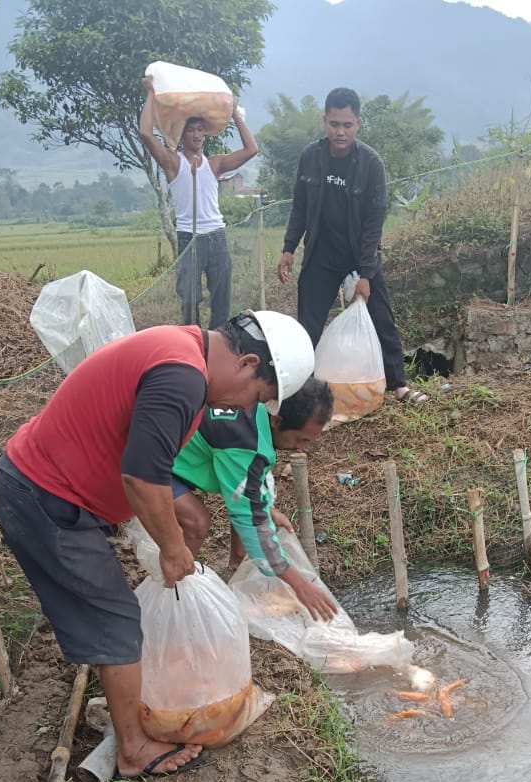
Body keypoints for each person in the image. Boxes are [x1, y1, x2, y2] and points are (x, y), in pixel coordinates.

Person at [0, 312, 314, 780]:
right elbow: (141, 476)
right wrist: (172, 547)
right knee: (117, 617)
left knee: (113, 608)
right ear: (246, 363)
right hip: (44, 497)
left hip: (51, 486)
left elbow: (155, 466)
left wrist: (186, 524)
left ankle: (123, 696)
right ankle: (134, 749)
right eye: (257, 397)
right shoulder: (182, 377)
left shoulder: (183, 351)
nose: (248, 409)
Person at [277, 86, 428, 405]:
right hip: (321, 254)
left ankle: (399, 385)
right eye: (334, 124)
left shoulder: (371, 163)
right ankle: (300, 390)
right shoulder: (311, 157)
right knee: (308, 323)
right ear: (324, 121)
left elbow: (375, 221)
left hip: (360, 256)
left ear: (358, 123)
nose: (340, 132)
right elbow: (300, 207)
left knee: (381, 317)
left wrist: (367, 273)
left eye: (347, 125)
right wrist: (289, 248)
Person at [171, 370, 338, 621]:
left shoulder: (255, 406)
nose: (303, 448)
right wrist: (300, 585)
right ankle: (174, 596)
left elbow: (246, 489)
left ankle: (236, 565)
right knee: (196, 522)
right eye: (301, 439)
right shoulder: (244, 443)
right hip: (153, 461)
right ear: (278, 421)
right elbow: (249, 518)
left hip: (175, 447)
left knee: (252, 504)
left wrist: (267, 510)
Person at [140, 81, 258, 328]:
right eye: (191, 130)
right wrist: (151, 93)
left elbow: (251, 149)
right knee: (189, 302)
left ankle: (217, 348)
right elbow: (146, 134)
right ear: (182, 134)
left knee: (222, 302)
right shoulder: (174, 163)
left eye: (200, 130)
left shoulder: (214, 164)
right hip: (190, 239)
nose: (197, 135)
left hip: (216, 236)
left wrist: (235, 113)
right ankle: (192, 348)